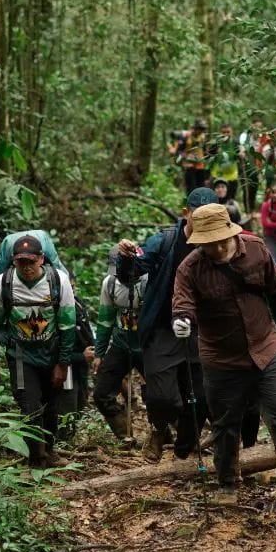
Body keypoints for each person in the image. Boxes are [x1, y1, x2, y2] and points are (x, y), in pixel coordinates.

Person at [170, 203, 276, 503]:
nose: (216, 247)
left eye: (220, 239)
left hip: (266, 348)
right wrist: (182, 322)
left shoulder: (256, 250)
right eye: (208, 242)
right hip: (222, 359)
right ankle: (228, 484)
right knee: (226, 424)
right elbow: (183, 306)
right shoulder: (190, 269)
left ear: (231, 232)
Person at [114, 186, 218, 463]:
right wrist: (125, 258)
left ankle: (183, 451)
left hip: (202, 329)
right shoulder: (165, 241)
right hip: (162, 328)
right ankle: (159, 429)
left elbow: (250, 257)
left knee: (200, 399)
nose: (205, 222)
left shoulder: (221, 241)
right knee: (162, 397)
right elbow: (132, 273)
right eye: (199, 215)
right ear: (187, 214)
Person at [0, 234, 78, 468]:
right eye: (21, 262)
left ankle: (50, 449)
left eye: (31, 262)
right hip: (21, 355)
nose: (26, 267)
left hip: (52, 352)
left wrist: (63, 363)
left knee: (51, 403)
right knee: (29, 405)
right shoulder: (2, 284)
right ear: (13, 261)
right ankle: (37, 459)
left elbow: (67, 326)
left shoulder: (59, 281)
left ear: (42, 260)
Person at [91, 250, 148, 444]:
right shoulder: (110, 283)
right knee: (101, 394)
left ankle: (165, 436)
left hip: (148, 345)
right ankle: (125, 435)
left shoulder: (151, 281)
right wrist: (99, 353)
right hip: (121, 343)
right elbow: (105, 319)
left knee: (160, 394)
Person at [208, 123, 240, 200]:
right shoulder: (215, 143)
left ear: (232, 132)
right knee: (216, 199)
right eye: (223, 132)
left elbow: (239, 155)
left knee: (231, 199)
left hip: (232, 176)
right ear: (220, 133)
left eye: (228, 132)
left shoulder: (235, 143)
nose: (226, 134)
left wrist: (241, 153)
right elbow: (209, 157)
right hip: (217, 176)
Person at [180, 119, 210, 194]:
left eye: (202, 129)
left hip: (201, 167)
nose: (200, 131)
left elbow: (205, 151)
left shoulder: (203, 138)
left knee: (201, 189)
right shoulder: (187, 137)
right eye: (199, 129)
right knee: (191, 189)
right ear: (195, 128)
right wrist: (184, 161)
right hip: (190, 167)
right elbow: (179, 151)